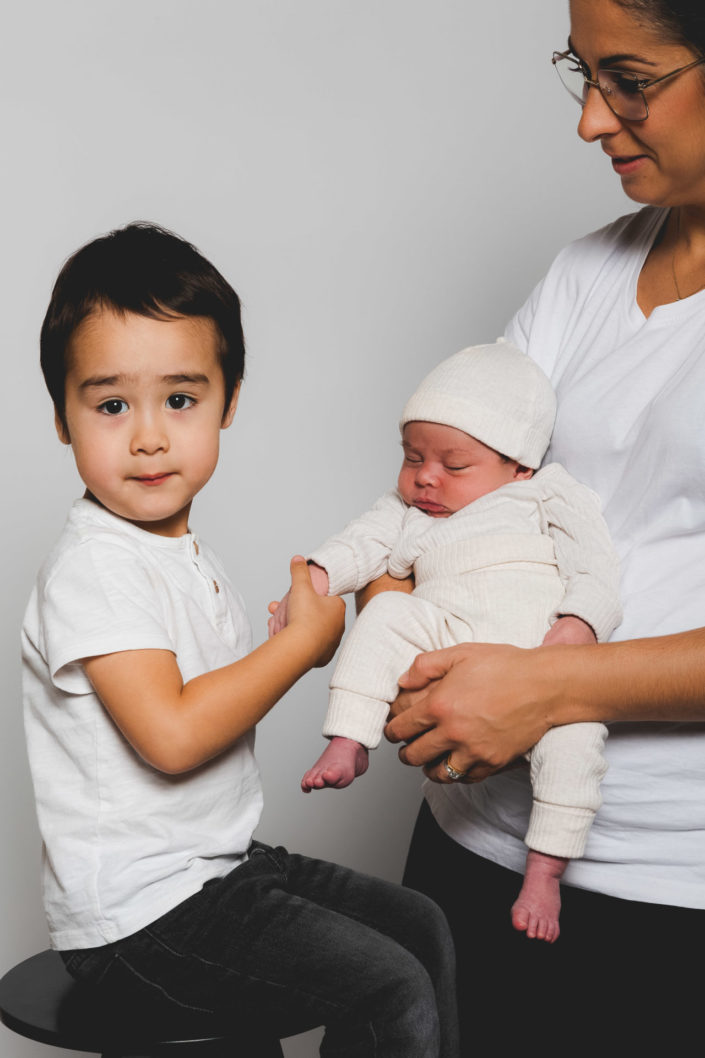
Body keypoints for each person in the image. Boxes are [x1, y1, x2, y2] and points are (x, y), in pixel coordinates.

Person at [21, 222, 459, 1058]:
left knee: (420, 925)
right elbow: (173, 735)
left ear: (228, 400)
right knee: (388, 983)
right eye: (111, 404)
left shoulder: (179, 554)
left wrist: (307, 631)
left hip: (216, 870)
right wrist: (298, 648)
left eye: (179, 400)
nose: (148, 436)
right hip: (138, 918)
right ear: (61, 417)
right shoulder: (94, 567)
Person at [375, 0, 705, 1050]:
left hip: (664, 891)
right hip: (464, 841)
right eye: (583, 71)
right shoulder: (585, 272)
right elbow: (453, 478)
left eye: (633, 79)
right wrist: (393, 607)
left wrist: (545, 684)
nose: (591, 121)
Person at [269, 340, 621, 944]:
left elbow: (598, 567)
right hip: (448, 638)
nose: (426, 477)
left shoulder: (544, 494)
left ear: (519, 466)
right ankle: (350, 738)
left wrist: (579, 625)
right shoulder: (410, 511)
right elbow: (362, 544)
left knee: (576, 745)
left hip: (543, 660)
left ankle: (544, 872)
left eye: (454, 466)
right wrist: (317, 579)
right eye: (412, 457)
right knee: (388, 616)